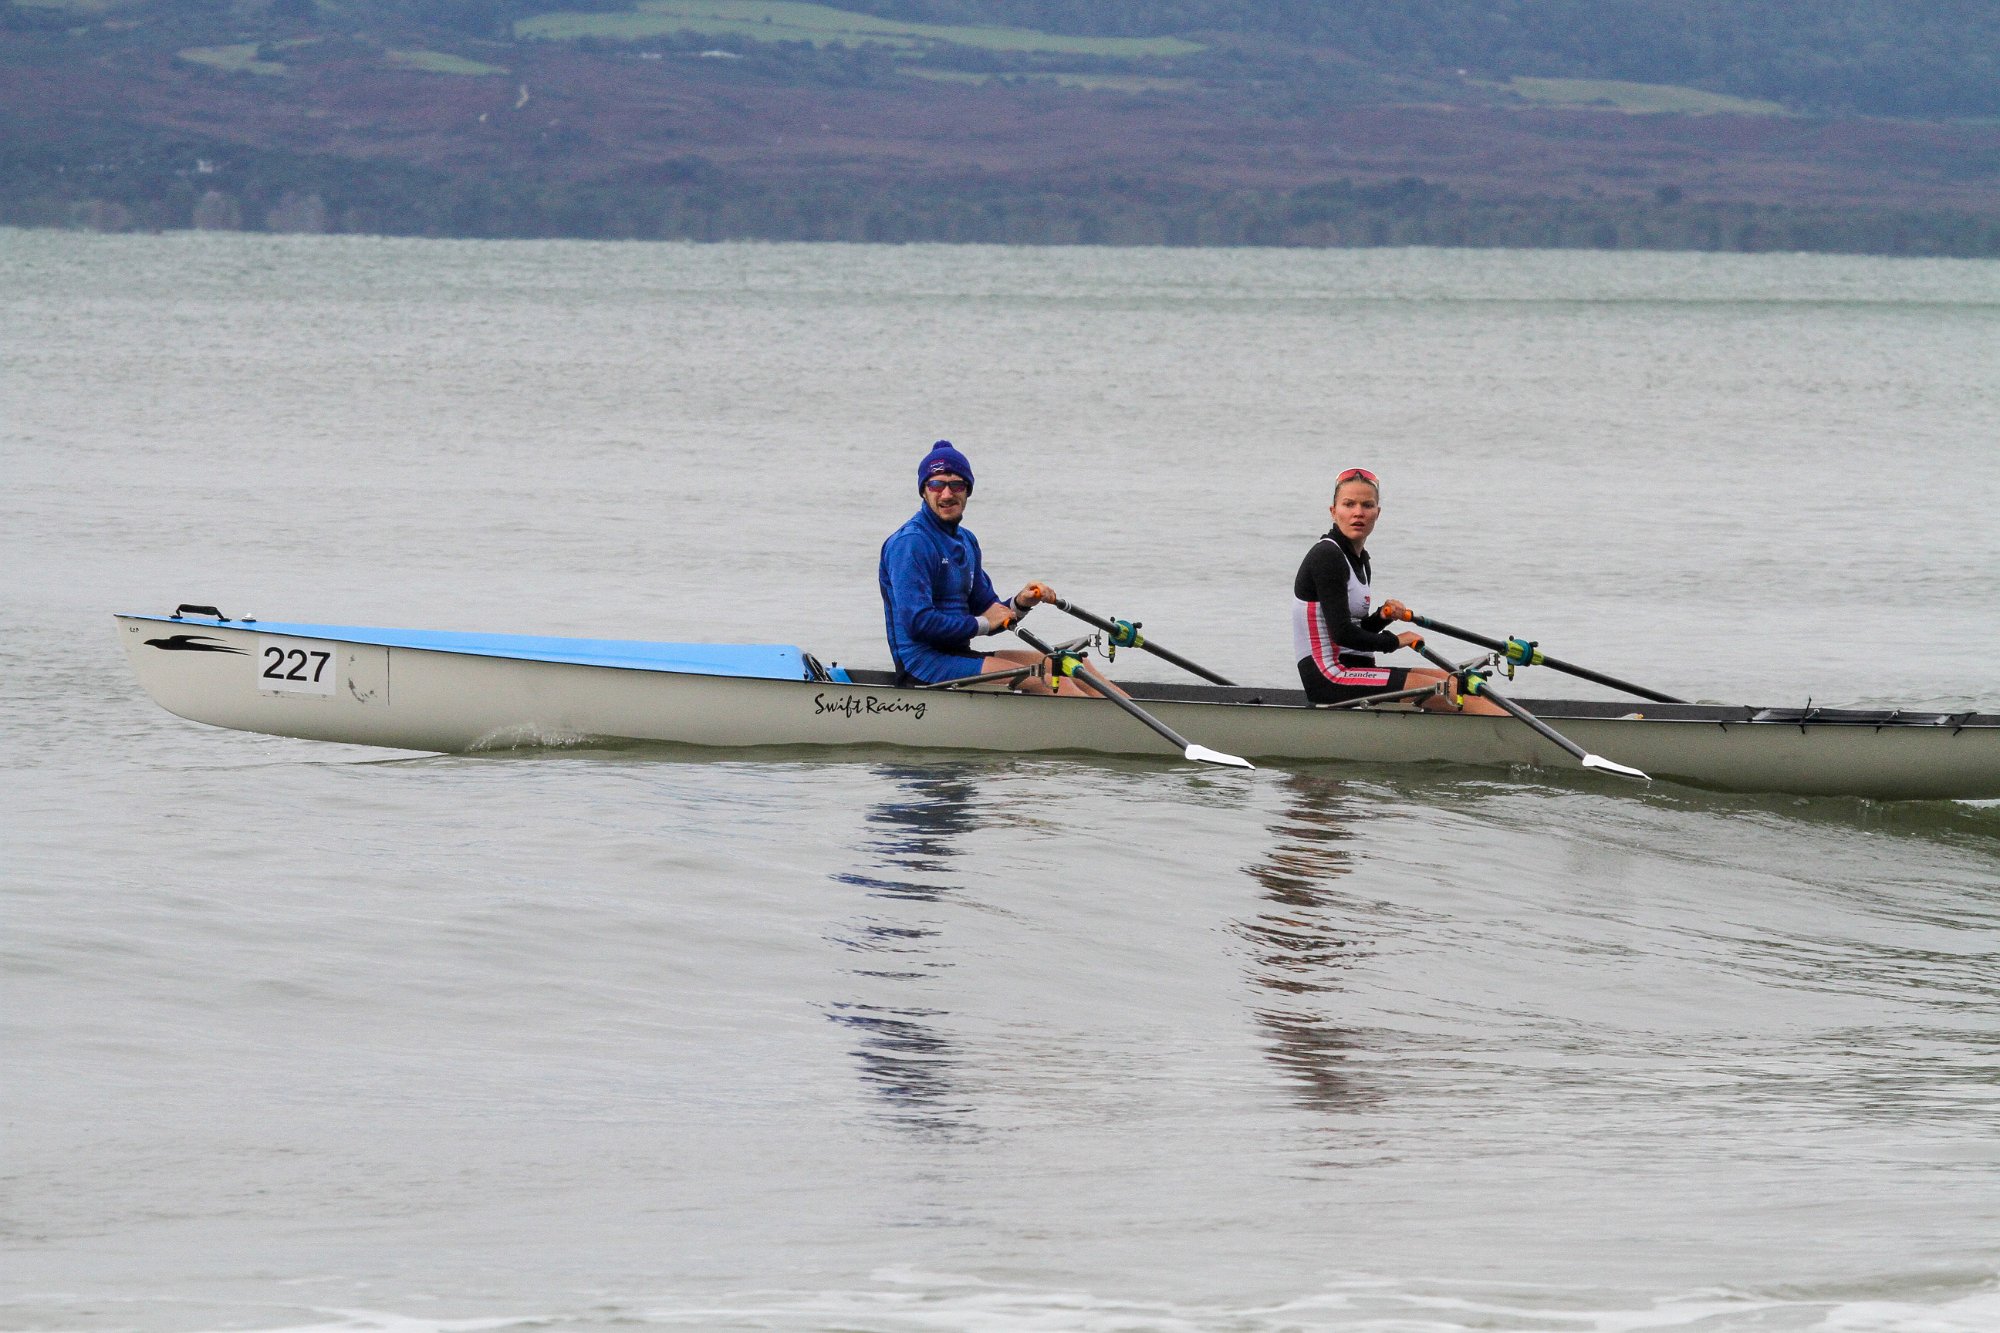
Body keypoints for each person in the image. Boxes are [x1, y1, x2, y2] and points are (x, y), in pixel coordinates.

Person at [878, 440, 1093, 694]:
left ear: (967, 490)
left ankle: (1129, 726)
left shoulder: (966, 541)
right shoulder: (911, 544)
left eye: (956, 484)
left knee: (1078, 665)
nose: (946, 494)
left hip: (960, 655)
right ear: (924, 491)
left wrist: (1021, 603)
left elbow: (990, 610)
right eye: (936, 484)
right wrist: (982, 623)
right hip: (923, 667)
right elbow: (918, 622)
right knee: (1053, 680)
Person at [1293, 467, 1503, 713]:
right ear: (1333, 511)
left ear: (1377, 513)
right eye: (1348, 504)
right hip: (1329, 678)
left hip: (1355, 669)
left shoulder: (1360, 560)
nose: (1358, 513)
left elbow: (1355, 631)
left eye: (1367, 505)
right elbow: (1342, 634)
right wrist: (1395, 641)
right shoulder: (1327, 555)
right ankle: (1515, 737)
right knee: (1450, 690)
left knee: (1456, 681)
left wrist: (1381, 617)